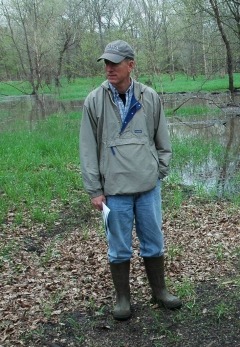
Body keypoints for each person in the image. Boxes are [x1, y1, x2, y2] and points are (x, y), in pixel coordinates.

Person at [80, 40, 182, 320]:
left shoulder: (149, 97)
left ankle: (159, 292)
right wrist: (94, 190)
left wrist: (158, 171)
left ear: (131, 65)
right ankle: (123, 299)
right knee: (119, 246)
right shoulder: (94, 101)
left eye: (115, 63)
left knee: (153, 241)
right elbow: (87, 149)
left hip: (148, 188)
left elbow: (164, 142)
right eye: (106, 63)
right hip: (115, 191)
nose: (109, 68)